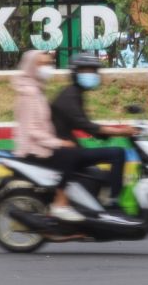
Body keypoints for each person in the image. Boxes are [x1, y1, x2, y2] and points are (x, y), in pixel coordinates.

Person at [50, 53, 135, 210]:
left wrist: (104, 134)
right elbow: (86, 125)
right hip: (65, 152)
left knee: (99, 172)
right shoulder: (70, 95)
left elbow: (85, 124)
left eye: (93, 71)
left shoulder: (74, 93)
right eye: (87, 71)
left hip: (68, 149)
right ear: (76, 73)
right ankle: (114, 203)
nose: (92, 74)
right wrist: (121, 131)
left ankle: (95, 203)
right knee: (117, 153)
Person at [12, 51, 84, 221]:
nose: (47, 68)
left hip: (40, 146)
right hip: (34, 149)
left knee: (73, 150)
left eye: (48, 63)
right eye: (41, 64)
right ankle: (60, 203)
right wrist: (58, 143)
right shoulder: (30, 92)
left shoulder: (36, 89)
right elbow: (32, 130)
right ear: (31, 67)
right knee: (70, 155)